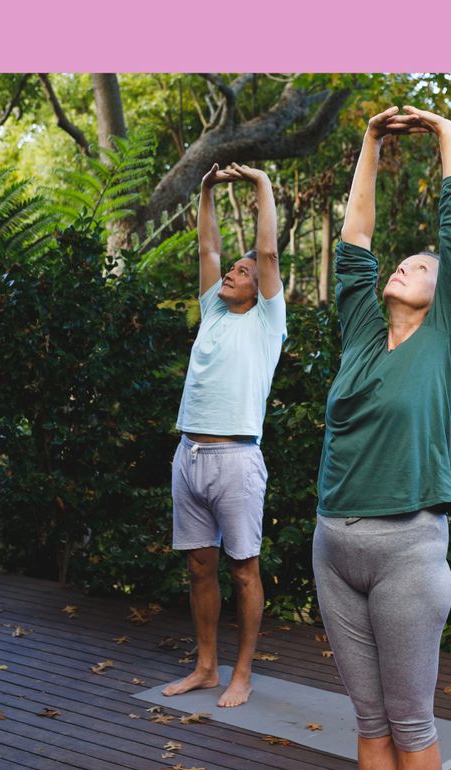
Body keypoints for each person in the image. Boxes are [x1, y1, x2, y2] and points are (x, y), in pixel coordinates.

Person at [312, 105, 451, 770]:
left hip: (408, 549)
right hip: (334, 544)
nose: (406, 264)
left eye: (423, 263)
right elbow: (354, 243)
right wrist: (371, 146)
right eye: (403, 260)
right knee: (368, 720)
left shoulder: (445, 336)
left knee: (411, 721)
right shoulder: (359, 332)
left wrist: (444, 133)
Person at [163, 162, 286, 708]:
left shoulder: (266, 321)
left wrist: (260, 184)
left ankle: (242, 673)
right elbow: (207, 251)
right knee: (198, 567)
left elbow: (268, 253)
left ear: (260, 286)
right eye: (232, 269)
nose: (234, 271)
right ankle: (207, 667)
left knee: (244, 570)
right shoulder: (213, 310)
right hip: (188, 455)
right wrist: (208, 189)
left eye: (245, 269)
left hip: (236, 459)